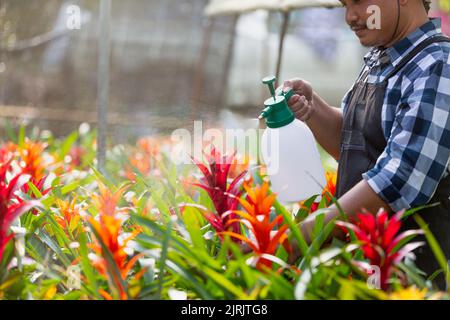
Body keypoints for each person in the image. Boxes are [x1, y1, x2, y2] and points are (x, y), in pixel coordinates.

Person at [283, 0, 450, 289]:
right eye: (344, 4)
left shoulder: (437, 66)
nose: (350, 16)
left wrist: (305, 235)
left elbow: (396, 179)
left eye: (359, 1)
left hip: (416, 277)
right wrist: (314, 110)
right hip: (368, 265)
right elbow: (359, 148)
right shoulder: (382, 58)